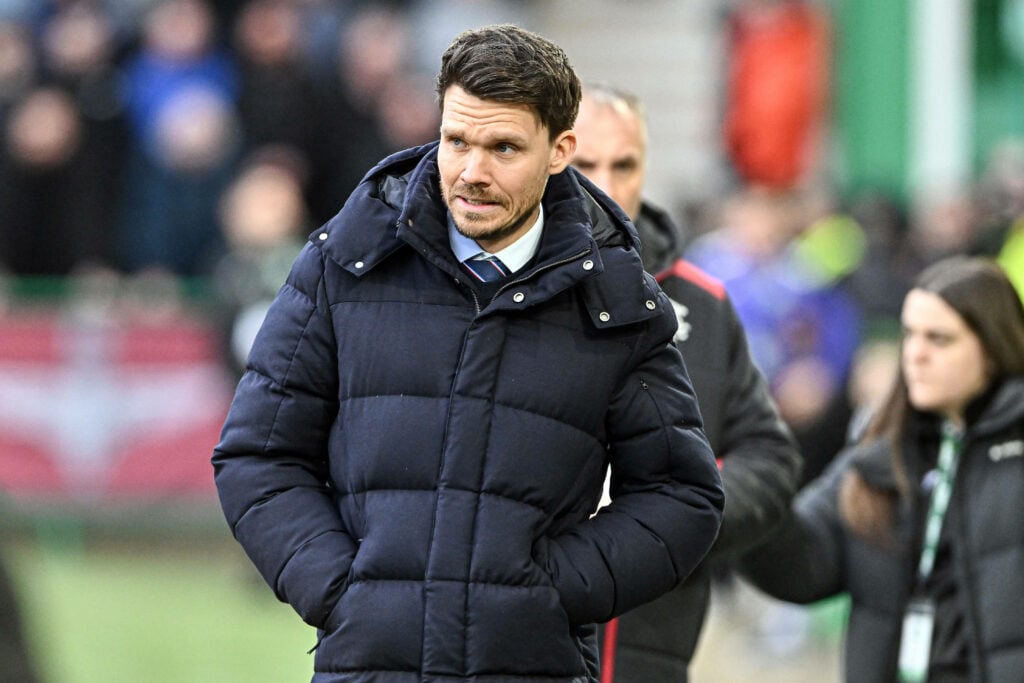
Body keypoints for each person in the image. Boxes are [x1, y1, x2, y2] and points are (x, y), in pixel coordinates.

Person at [212, 24, 724, 683]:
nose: (472, 172)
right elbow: (258, 453)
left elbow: (681, 495)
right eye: (457, 140)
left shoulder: (618, 299)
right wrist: (340, 589)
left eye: (504, 147)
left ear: (560, 150)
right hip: (368, 665)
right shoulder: (343, 263)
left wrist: (551, 592)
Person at [572, 83, 801, 682]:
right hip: (520, 642)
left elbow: (770, 459)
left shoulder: (703, 303)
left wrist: (680, 512)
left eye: (625, 165)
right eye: (583, 165)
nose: (606, 185)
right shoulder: (502, 295)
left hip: (656, 648)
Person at [740, 255, 1024, 682]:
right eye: (909, 334)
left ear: (992, 347)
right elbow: (802, 564)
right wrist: (750, 492)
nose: (915, 354)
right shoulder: (882, 449)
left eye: (939, 339)